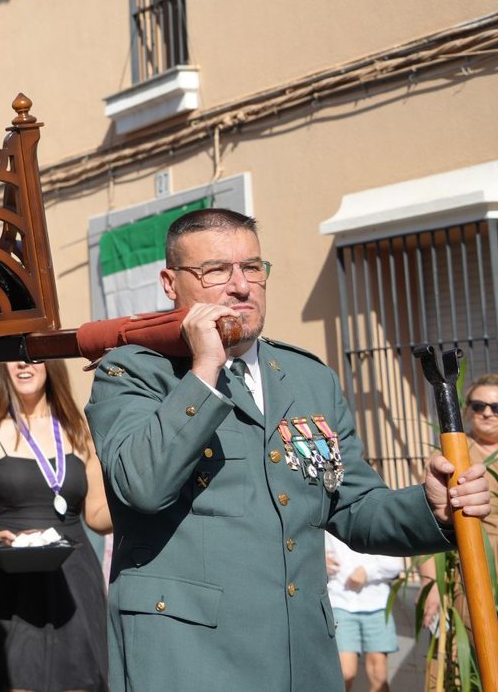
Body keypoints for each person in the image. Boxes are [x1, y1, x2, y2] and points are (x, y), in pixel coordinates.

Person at [85, 207, 491, 692]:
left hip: (301, 658)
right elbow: (142, 487)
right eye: (216, 271)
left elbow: (353, 506)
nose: (240, 286)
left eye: (252, 267)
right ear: (170, 283)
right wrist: (204, 370)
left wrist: (433, 509)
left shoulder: (308, 378)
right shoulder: (132, 372)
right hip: (188, 660)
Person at [0, 360, 112, 691]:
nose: (23, 364)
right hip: (6, 583)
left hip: (73, 583)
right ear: (0, 367)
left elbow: (98, 515)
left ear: (52, 365)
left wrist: (137, 503)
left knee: (81, 681)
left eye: (33, 355)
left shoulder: (79, 428)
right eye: (13, 355)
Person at [417, 372, 498, 679]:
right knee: (479, 662)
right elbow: (429, 521)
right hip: (472, 573)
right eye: (479, 406)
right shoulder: (452, 456)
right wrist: (432, 584)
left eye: (496, 407)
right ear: (467, 410)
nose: (488, 412)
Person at [324, 533, 400, 691]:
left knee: (379, 675)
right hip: (339, 601)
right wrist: (318, 561)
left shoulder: (379, 514)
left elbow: (396, 563)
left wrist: (367, 571)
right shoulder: (326, 517)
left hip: (376, 603)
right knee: (345, 673)